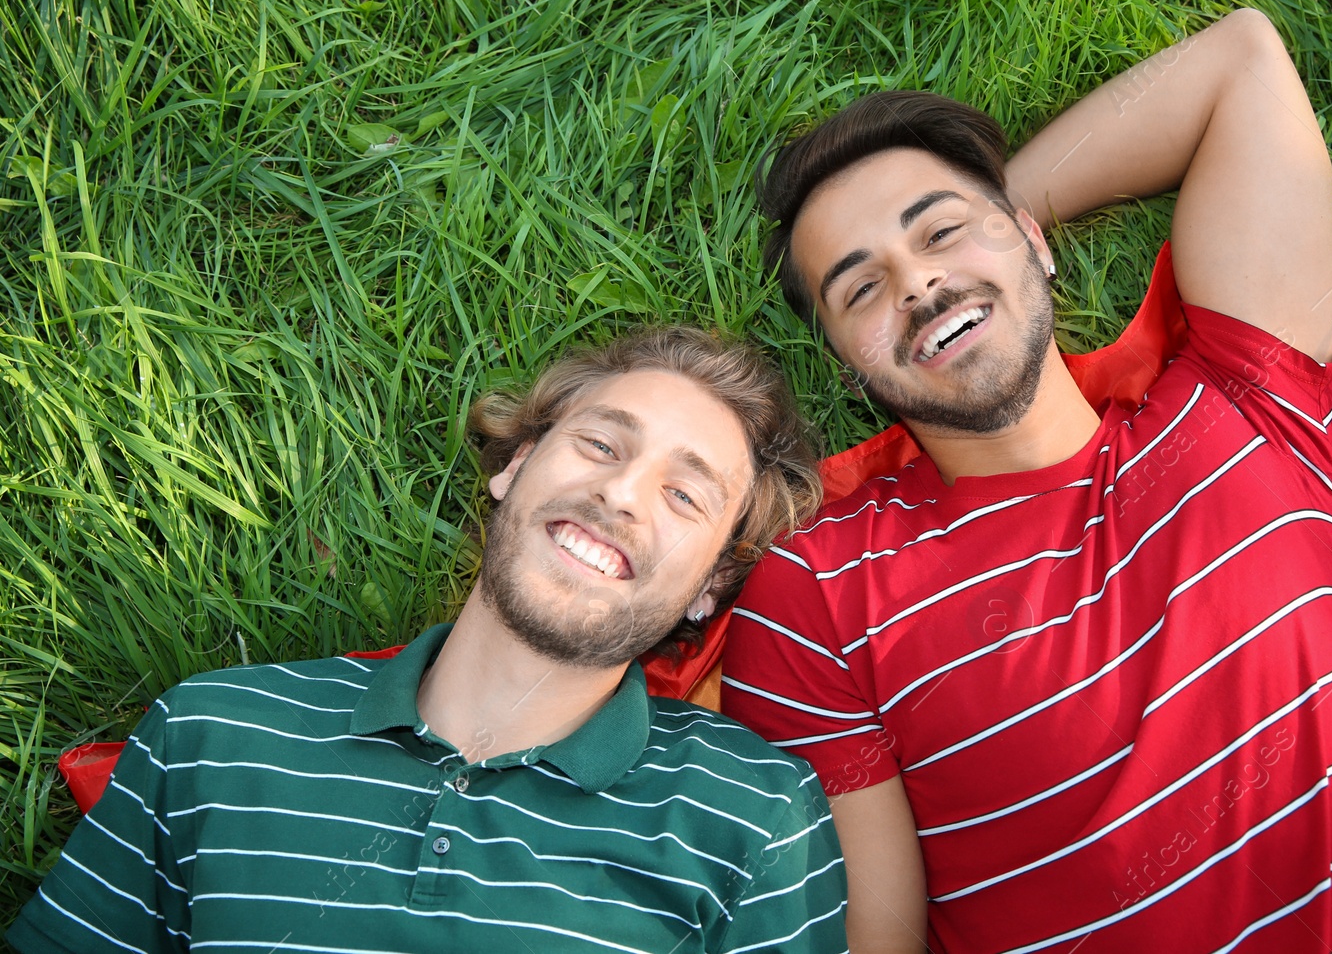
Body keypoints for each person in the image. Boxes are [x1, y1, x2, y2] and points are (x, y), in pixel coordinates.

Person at [722, 9, 1332, 953]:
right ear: (848, 371)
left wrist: (988, 244)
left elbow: (1241, 63)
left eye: (939, 231)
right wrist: (978, 242)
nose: (916, 284)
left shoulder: (1246, 403)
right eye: (860, 289)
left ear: (1036, 237)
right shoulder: (821, 591)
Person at [10, 327, 847, 953]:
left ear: (710, 586)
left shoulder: (753, 815)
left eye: (685, 496)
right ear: (514, 466)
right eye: (600, 443)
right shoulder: (216, 730)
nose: (623, 492)